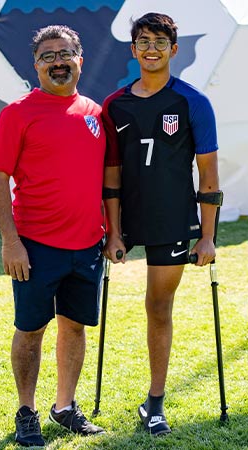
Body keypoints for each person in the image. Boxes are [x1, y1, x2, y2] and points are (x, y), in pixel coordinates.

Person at [0, 25, 106, 447]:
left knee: (74, 328)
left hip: (89, 245)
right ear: (35, 65)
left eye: (65, 53)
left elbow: (104, 179)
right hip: (35, 246)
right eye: (47, 56)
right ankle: (26, 411)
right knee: (31, 329)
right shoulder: (18, 113)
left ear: (80, 58)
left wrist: (111, 233)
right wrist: (10, 240)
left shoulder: (94, 112)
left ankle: (65, 407)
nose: (58, 62)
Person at [102, 12, 221, 436]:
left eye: (160, 42)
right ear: (133, 50)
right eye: (143, 41)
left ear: (174, 50)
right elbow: (111, 173)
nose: (151, 48)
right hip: (128, 217)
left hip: (172, 220)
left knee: (158, 306)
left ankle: (154, 402)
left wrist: (207, 237)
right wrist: (113, 232)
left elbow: (208, 176)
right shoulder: (114, 105)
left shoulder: (193, 102)